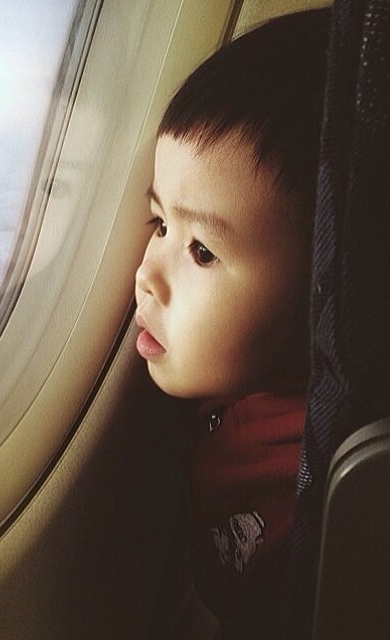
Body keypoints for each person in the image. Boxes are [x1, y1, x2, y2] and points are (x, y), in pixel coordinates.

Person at [134, 9, 330, 639]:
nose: (146, 275)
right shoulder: (243, 387)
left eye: (201, 251)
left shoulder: (313, 507)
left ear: (320, 288)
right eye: (160, 224)